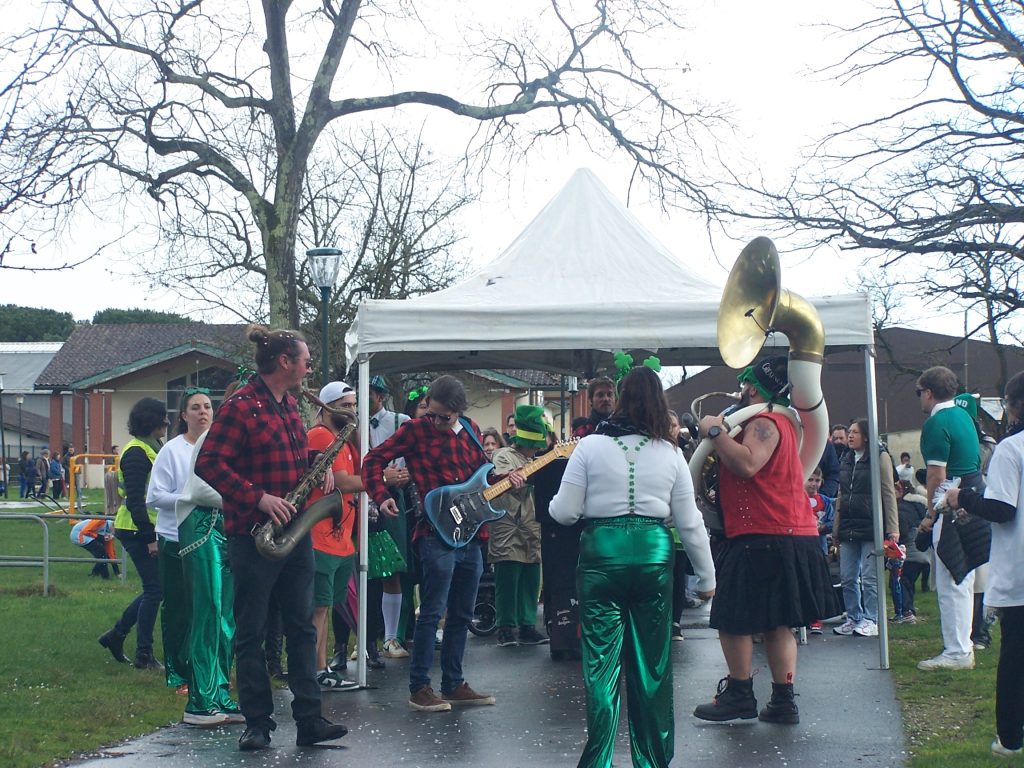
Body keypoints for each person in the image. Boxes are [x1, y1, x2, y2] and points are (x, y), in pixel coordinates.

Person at [550, 366, 715, 768]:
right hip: (653, 555)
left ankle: (598, 761)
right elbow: (690, 520)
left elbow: (565, 513)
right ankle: (652, 760)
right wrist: (708, 577)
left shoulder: (589, 447)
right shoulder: (671, 452)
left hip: (601, 553)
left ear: (620, 398)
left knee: (601, 666)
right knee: (651, 666)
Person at [195, 325, 347, 751]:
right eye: (305, 360)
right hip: (254, 535)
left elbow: (293, 457)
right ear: (285, 362)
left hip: (294, 534)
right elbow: (208, 464)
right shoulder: (241, 406)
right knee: (251, 631)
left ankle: (310, 719)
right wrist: (257, 498)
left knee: (300, 628)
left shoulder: (290, 405)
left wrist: (319, 460)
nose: (309, 367)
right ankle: (257, 722)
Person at [693, 355, 839, 726]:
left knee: (732, 619)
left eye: (744, 385)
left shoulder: (764, 421)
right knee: (779, 623)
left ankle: (740, 693)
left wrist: (714, 431)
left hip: (762, 532)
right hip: (787, 532)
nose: (740, 392)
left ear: (753, 387)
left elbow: (746, 463)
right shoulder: (787, 424)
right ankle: (782, 700)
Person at [361, 374, 495, 713]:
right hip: (434, 532)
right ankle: (419, 686)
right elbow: (372, 461)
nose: (434, 421)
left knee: (462, 612)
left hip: (471, 534)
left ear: (458, 411)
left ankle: (453, 683)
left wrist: (513, 481)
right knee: (432, 611)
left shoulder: (472, 432)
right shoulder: (415, 430)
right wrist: (381, 495)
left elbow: (485, 480)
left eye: (443, 417)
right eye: (431, 414)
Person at [944, 369, 1024, 757]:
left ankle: (1010, 740)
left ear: (1015, 407)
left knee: (1015, 662)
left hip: (1021, 574)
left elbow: (1002, 508)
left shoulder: (1012, 448)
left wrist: (963, 499)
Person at [915, 365, 985, 671]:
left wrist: (931, 513)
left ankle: (957, 651)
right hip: (973, 495)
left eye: (919, 393)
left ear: (929, 393)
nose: (919, 398)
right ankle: (964, 645)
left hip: (951, 499)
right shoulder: (964, 416)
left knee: (950, 578)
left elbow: (935, 473)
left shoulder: (936, 422)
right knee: (964, 575)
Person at [147, 387, 214, 693]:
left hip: (212, 537)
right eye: (196, 407)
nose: (203, 412)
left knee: (209, 605)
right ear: (184, 415)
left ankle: (209, 669)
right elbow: (155, 496)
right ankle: (180, 673)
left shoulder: (219, 448)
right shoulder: (171, 451)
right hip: (176, 537)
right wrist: (190, 500)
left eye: (208, 406)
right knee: (179, 606)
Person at [97, 397, 167, 671]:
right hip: (136, 529)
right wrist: (150, 537)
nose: (167, 421)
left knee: (156, 589)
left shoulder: (153, 447)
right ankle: (143, 654)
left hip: (144, 527)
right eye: (162, 417)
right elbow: (136, 500)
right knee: (155, 590)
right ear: (151, 421)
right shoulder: (137, 452)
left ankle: (116, 635)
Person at [306, 381, 362, 692]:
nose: (351, 410)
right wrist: (380, 479)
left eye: (354, 405)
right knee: (318, 608)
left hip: (340, 536)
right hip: (320, 535)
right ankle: (316, 669)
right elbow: (342, 480)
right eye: (345, 405)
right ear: (328, 407)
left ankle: (321, 666)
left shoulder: (345, 440)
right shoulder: (319, 435)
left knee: (325, 607)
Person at [831, 418, 899, 638]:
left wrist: (892, 528)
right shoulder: (846, 458)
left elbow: (888, 492)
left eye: (855, 433)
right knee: (848, 576)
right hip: (849, 525)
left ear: (867, 436)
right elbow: (842, 494)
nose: (850, 436)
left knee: (870, 577)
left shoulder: (880, 457)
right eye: (849, 432)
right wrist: (836, 527)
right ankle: (854, 616)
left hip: (871, 526)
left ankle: (872, 618)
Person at [490, 405, 547, 648]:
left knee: (531, 573)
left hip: (532, 523)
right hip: (507, 521)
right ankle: (505, 625)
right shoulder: (504, 455)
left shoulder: (540, 460)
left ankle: (527, 624)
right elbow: (503, 480)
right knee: (508, 572)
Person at [367, 374, 414, 661]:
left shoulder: (401, 422)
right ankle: (365, 637)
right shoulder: (351, 423)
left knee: (391, 567)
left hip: (391, 500)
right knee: (362, 569)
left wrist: (402, 478)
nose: (363, 400)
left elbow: (409, 466)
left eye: (369, 394)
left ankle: (391, 636)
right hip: (360, 498)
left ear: (380, 396)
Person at [894, 480, 928, 623]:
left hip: (910, 553)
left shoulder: (902, 508)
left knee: (900, 582)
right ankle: (908, 611)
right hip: (923, 554)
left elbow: (902, 530)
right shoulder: (919, 506)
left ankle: (906, 612)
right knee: (909, 583)